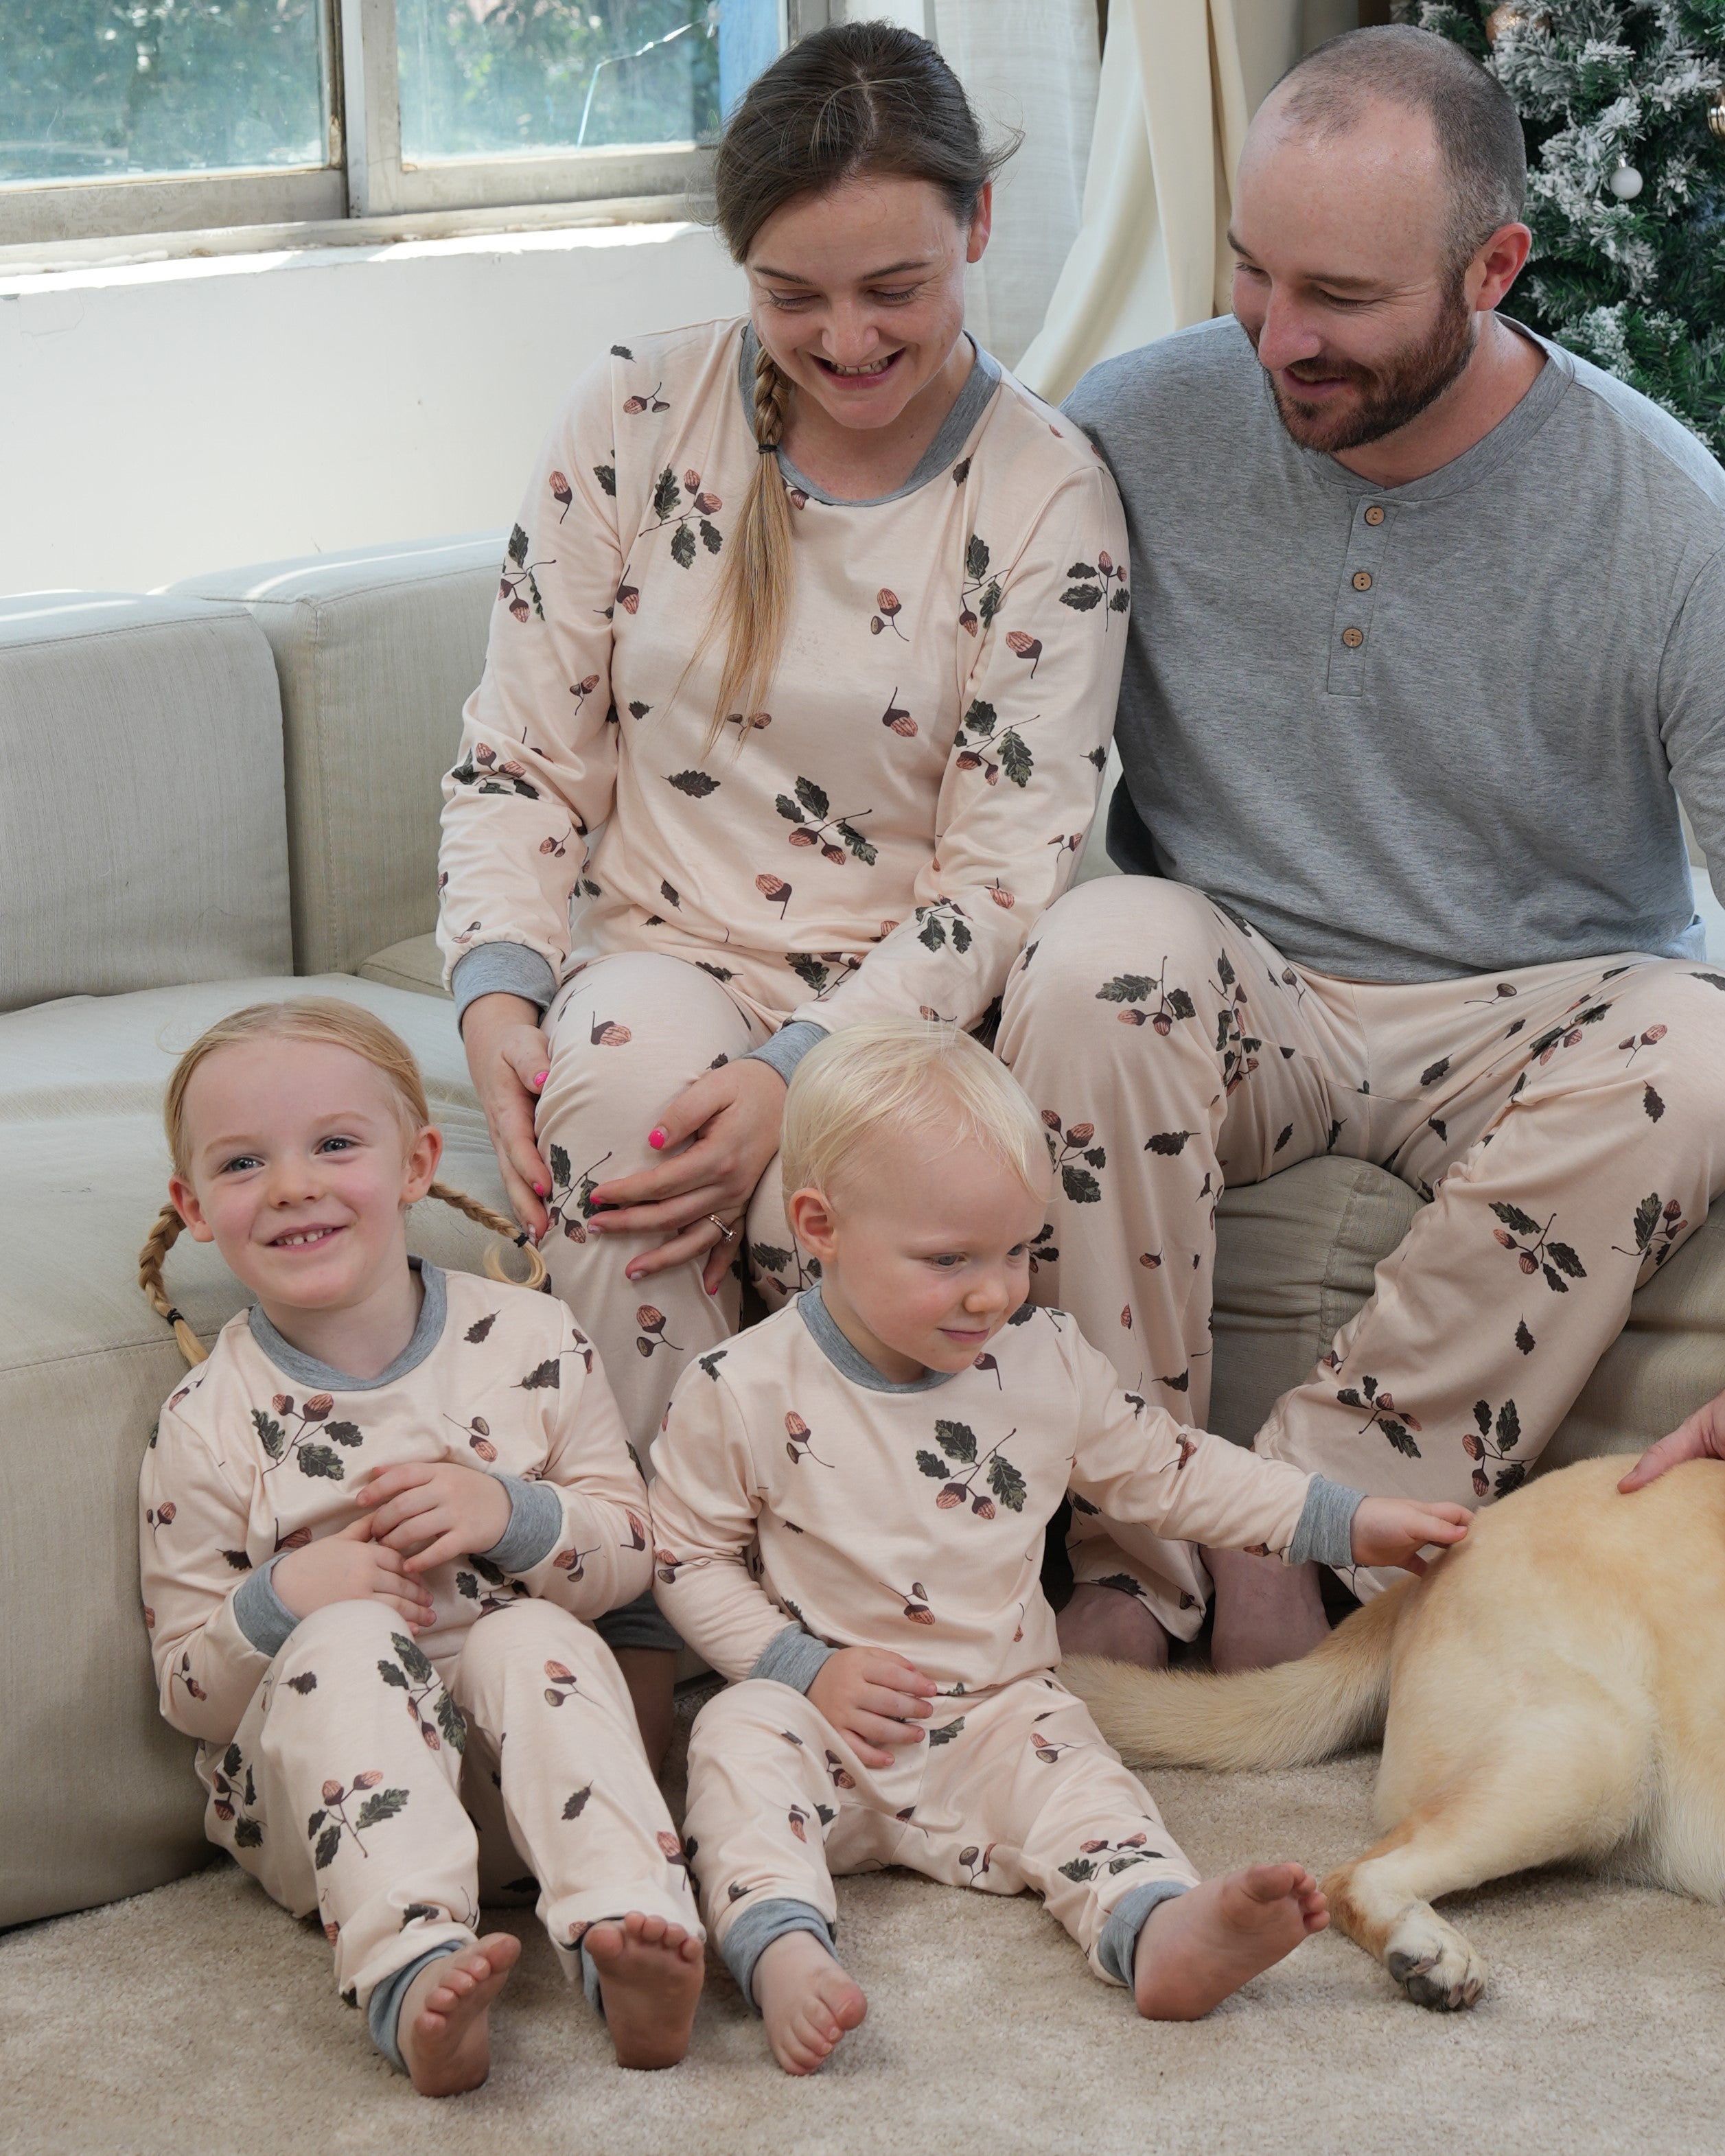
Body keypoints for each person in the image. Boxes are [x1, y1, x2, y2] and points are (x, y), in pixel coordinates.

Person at [995, 23, 1725, 1676]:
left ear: (1495, 266)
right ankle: (1140, 1543)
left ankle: (1305, 1520)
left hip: (1534, 1001)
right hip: (1240, 976)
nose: (1280, 337)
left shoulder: (1670, 521)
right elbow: (982, 730)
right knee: (1093, 956)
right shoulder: (1134, 424)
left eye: (1343, 296)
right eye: (1256, 272)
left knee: (1702, 1044)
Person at [438, 20, 1128, 1768]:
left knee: (865, 1170)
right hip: (659, 947)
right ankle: (656, 1653)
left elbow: (1005, 867)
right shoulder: (633, 412)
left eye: (893, 285)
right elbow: (521, 749)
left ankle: (908, 1641)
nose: (848, 341)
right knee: (616, 1101)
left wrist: (804, 1073)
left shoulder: (1048, 493)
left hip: (906, 1003)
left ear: (980, 225)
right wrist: (499, 991)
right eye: (791, 296)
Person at [647, 1019, 1466, 2072]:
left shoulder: (1042, 1360)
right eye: (949, 1260)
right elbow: (685, 1559)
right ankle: (783, 1949)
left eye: (1017, 1251)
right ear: (821, 1225)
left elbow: (1176, 1470)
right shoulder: (742, 1387)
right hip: (824, 1722)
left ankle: (1159, 1927)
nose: (994, 1291)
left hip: (998, 1713)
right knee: (731, 1739)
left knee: (1087, 1780)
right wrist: (802, 1669)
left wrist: (1345, 1519)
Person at [137, 1000, 704, 2096]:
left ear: (416, 1163)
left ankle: (626, 1928)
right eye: (244, 1161)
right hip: (332, 1817)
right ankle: (412, 1973)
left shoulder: (529, 1339)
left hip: (525, 1794)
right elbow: (187, 1693)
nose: (295, 1184)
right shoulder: (206, 1419)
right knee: (346, 1634)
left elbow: (635, 1551)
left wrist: (511, 1512)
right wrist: (282, 1596)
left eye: (335, 1144)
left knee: (532, 1629)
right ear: (194, 1206)